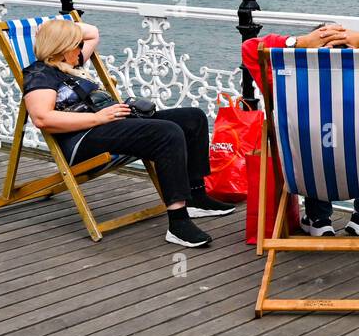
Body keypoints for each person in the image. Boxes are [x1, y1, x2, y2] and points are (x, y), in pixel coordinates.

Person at [22, 18, 235, 248]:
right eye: (77, 45)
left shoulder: (71, 64)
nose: (82, 49)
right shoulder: (41, 74)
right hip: (83, 139)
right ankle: (178, 223)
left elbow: (92, 32)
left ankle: (196, 197)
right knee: (167, 133)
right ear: (63, 50)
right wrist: (98, 118)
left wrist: (55, 27)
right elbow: (42, 118)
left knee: (193, 118)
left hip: (111, 123)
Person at [242, 24, 359, 237]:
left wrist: (301, 42)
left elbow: (250, 48)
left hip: (302, 180)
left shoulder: (285, 91)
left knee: (313, 139)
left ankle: (318, 218)